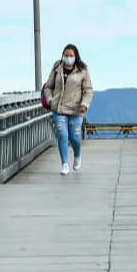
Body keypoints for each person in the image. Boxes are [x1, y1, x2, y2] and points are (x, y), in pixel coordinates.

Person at [42, 44, 94, 175]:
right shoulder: (57, 68)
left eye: (71, 55)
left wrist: (85, 104)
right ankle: (65, 164)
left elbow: (88, 90)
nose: (68, 58)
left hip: (76, 110)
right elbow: (48, 87)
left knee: (74, 137)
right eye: (66, 55)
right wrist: (50, 100)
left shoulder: (83, 71)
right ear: (62, 55)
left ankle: (77, 155)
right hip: (59, 108)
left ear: (75, 56)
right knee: (62, 135)